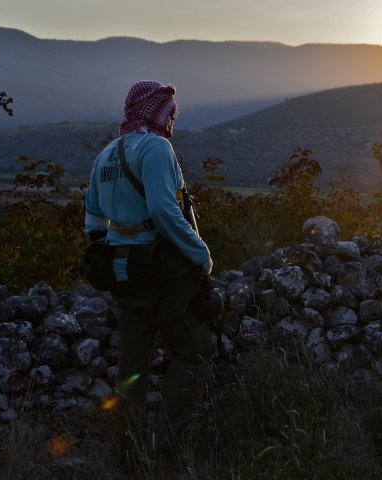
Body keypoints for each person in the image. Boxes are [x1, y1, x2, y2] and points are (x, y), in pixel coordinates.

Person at [84, 80, 215, 469]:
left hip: (123, 276)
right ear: (155, 110)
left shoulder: (106, 154)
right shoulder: (157, 148)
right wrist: (200, 254)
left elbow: (92, 219)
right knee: (193, 354)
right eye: (169, 110)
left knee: (132, 369)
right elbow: (163, 209)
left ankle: (131, 456)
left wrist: (113, 248)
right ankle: (167, 449)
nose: (172, 118)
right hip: (162, 274)